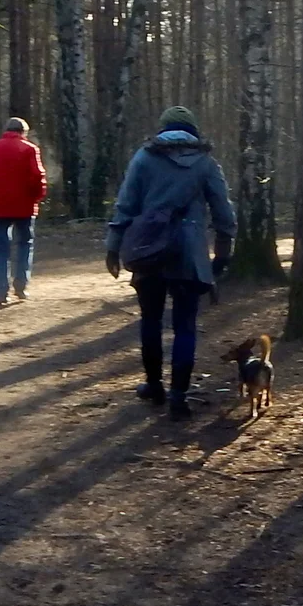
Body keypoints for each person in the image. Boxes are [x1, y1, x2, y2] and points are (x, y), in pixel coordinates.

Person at [104, 106, 238, 419]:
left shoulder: (144, 157)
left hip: (149, 250)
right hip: (189, 255)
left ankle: (154, 386)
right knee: (185, 326)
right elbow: (223, 212)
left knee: (150, 320)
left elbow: (125, 205)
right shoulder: (206, 162)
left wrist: (113, 247)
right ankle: (178, 396)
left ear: (163, 130)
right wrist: (223, 251)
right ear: (193, 132)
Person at [0, 116, 48, 305]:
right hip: (24, 205)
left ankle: (1, 291)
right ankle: (21, 286)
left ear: (6, 130)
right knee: (25, 244)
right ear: (24, 132)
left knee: (1, 249)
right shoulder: (29, 149)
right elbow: (38, 176)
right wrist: (36, 197)